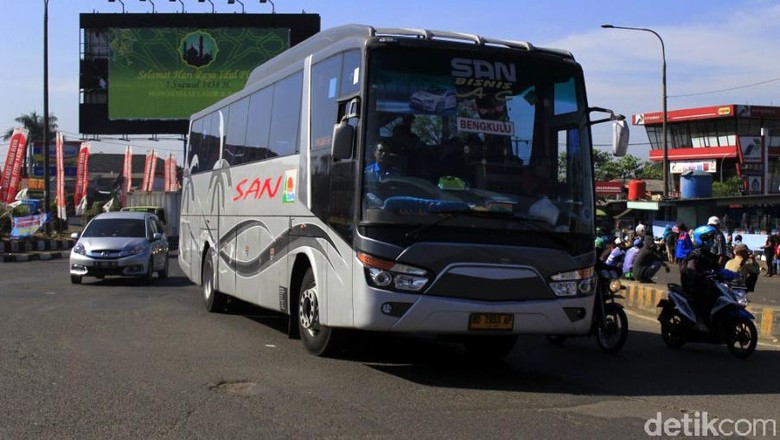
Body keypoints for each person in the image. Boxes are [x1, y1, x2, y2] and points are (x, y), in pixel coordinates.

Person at [680, 225, 722, 326]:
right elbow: (691, 271)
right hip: (694, 286)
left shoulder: (708, 254)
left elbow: (718, 269)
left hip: (705, 283)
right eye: (710, 239)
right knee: (707, 299)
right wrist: (701, 275)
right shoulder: (695, 255)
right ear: (701, 239)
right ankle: (700, 321)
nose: (712, 241)